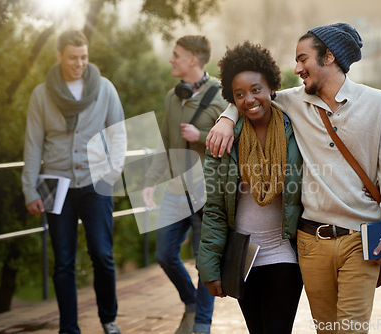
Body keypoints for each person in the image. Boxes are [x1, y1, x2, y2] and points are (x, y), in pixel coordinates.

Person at [206, 23, 381, 334]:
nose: (297, 68)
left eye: (303, 59)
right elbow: (252, 95)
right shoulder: (293, 101)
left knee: (351, 329)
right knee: (325, 329)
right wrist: (225, 118)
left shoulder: (378, 103)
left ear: (328, 57)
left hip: (362, 237)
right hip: (310, 242)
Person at [22, 29, 126, 334]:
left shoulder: (105, 89)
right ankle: (69, 328)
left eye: (84, 57)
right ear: (59, 56)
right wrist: (29, 189)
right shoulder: (41, 94)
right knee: (63, 261)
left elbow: (118, 133)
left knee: (102, 254)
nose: (79, 63)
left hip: (97, 182)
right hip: (54, 184)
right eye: (72, 57)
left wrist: (113, 172)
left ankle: (109, 319)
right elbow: (33, 145)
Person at [197, 41, 304, 334]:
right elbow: (216, 208)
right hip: (242, 257)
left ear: (271, 86)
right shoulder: (224, 140)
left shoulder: (296, 128)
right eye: (239, 94)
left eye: (256, 89)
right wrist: (209, 268)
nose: (249, 99)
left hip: (284, 254)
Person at [141, 35, 228, 334]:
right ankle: (191, 303)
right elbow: (165, 143)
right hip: (176, 193)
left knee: (206, 263)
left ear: (193, 59)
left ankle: (201, 324)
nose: (171, 59)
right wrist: (151, 181)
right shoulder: (171, 97)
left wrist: (200, 136)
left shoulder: (222, 96)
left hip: (208, 194)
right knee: (164, 254)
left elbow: (237, 143)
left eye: (176, 55)